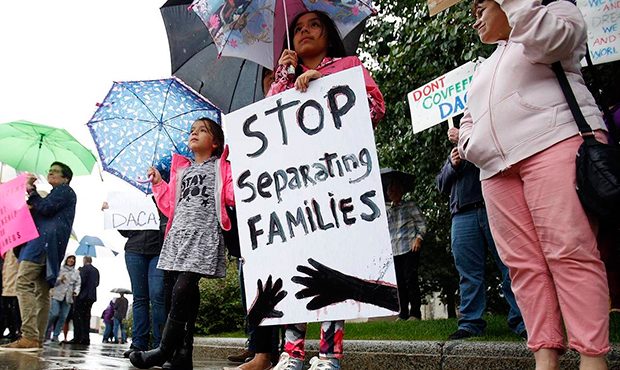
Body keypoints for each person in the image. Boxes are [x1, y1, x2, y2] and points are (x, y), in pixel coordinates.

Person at [457, 0, 610, 368]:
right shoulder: (485, 65)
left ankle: (593, 359)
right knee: (522, 267)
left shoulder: (557, 13)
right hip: (495, 170)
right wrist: (470, 144)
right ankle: (545, 356)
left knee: (570, 252)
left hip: (554, 143)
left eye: (482, 7)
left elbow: (553, 41)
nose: (475, 17)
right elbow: (468, 117)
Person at [248, 10, 384, 370]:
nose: (305, 31)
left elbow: (374, 107)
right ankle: (292, 353)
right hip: (294, 190)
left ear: (329, 34)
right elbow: (265, 127)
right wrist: (283, 77)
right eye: (297, 28)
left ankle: (329, 353)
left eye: (314, 25)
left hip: (337, 183)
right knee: (296, 264)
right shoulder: (284, 79)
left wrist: (321, 80)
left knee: (332, 264)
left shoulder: (348, 65)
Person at [129, 117, 234, 370]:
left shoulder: (221, 168)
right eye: (192, 131)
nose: (194, 133)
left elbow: (231, 193)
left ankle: (164, 349)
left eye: (202, 131)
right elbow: (169, 205)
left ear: (216, 143)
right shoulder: (182, 170)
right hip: (177, 238)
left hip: (203, 236)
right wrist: (158, 183)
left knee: (183, 287)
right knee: (177, 291)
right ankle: (183, 353)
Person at [437, 129, 526, 340]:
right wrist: (452, 164)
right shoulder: (454, 152)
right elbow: (441, 184)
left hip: (494, 207)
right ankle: (470, 324)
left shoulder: (490, 131)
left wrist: (469, 141)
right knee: (468, 273)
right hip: (462, 215)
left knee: (510, 266)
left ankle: (523, 320)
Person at [0, 162, 77, 351]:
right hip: (48, 247)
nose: (50, 173)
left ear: (65, 178)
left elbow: (46, 208)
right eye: (49, 170)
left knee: (23, 283)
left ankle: (29, 335)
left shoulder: (65, 191)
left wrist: (31, 190)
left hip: (41, 245)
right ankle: (38, 338)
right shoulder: (57, 194)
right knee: (42, 291)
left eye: (55, 172)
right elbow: (43, 210)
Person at [100, 199, 167, 358]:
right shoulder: (133, 198)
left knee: (157, 294)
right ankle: (138, 343)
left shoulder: (165, 195)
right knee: (139, 298)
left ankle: (160, 345)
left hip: (159, 250)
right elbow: (125, 231)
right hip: (135, 250)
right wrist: (112, 213)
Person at [384, 174, 427, 321]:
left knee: (411, 280)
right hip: (394, 250)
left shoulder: (410, 205)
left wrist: (419, 239)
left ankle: (415, 313)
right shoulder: (387, 210)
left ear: (401, 191)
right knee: (399, 283)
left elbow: (422, 224)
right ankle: (403, 313)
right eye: (390, 189)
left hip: (409, 247)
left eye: (396, 189)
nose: (393, 191)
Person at [45, 255, 81, 342]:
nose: (71, 260)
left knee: (63, 317)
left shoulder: (76, 272)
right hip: (57, 294)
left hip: (68, 297)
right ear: (66, 259)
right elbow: (52, 280)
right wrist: (59, 279)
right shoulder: (59, 269)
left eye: (73, 259)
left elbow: (78, 284)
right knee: (54, 313)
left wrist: (76, 291)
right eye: (70, 258)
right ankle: (45, 331)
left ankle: (56, 335)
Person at [69, 256, 100, 345]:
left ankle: (78, 337)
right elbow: (97, 283)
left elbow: (80, 282)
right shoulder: (96, 270)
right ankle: (86, 338)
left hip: (82, 296)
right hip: (91, 297)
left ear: (84, 261)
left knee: (78, 317)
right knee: (86, 317)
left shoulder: (83, 269)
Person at [1, 251, 21, 344]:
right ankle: (13, 333)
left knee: (12, 309)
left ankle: (15, 333)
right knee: (7, 308)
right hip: (7, 280)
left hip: (13, 282)